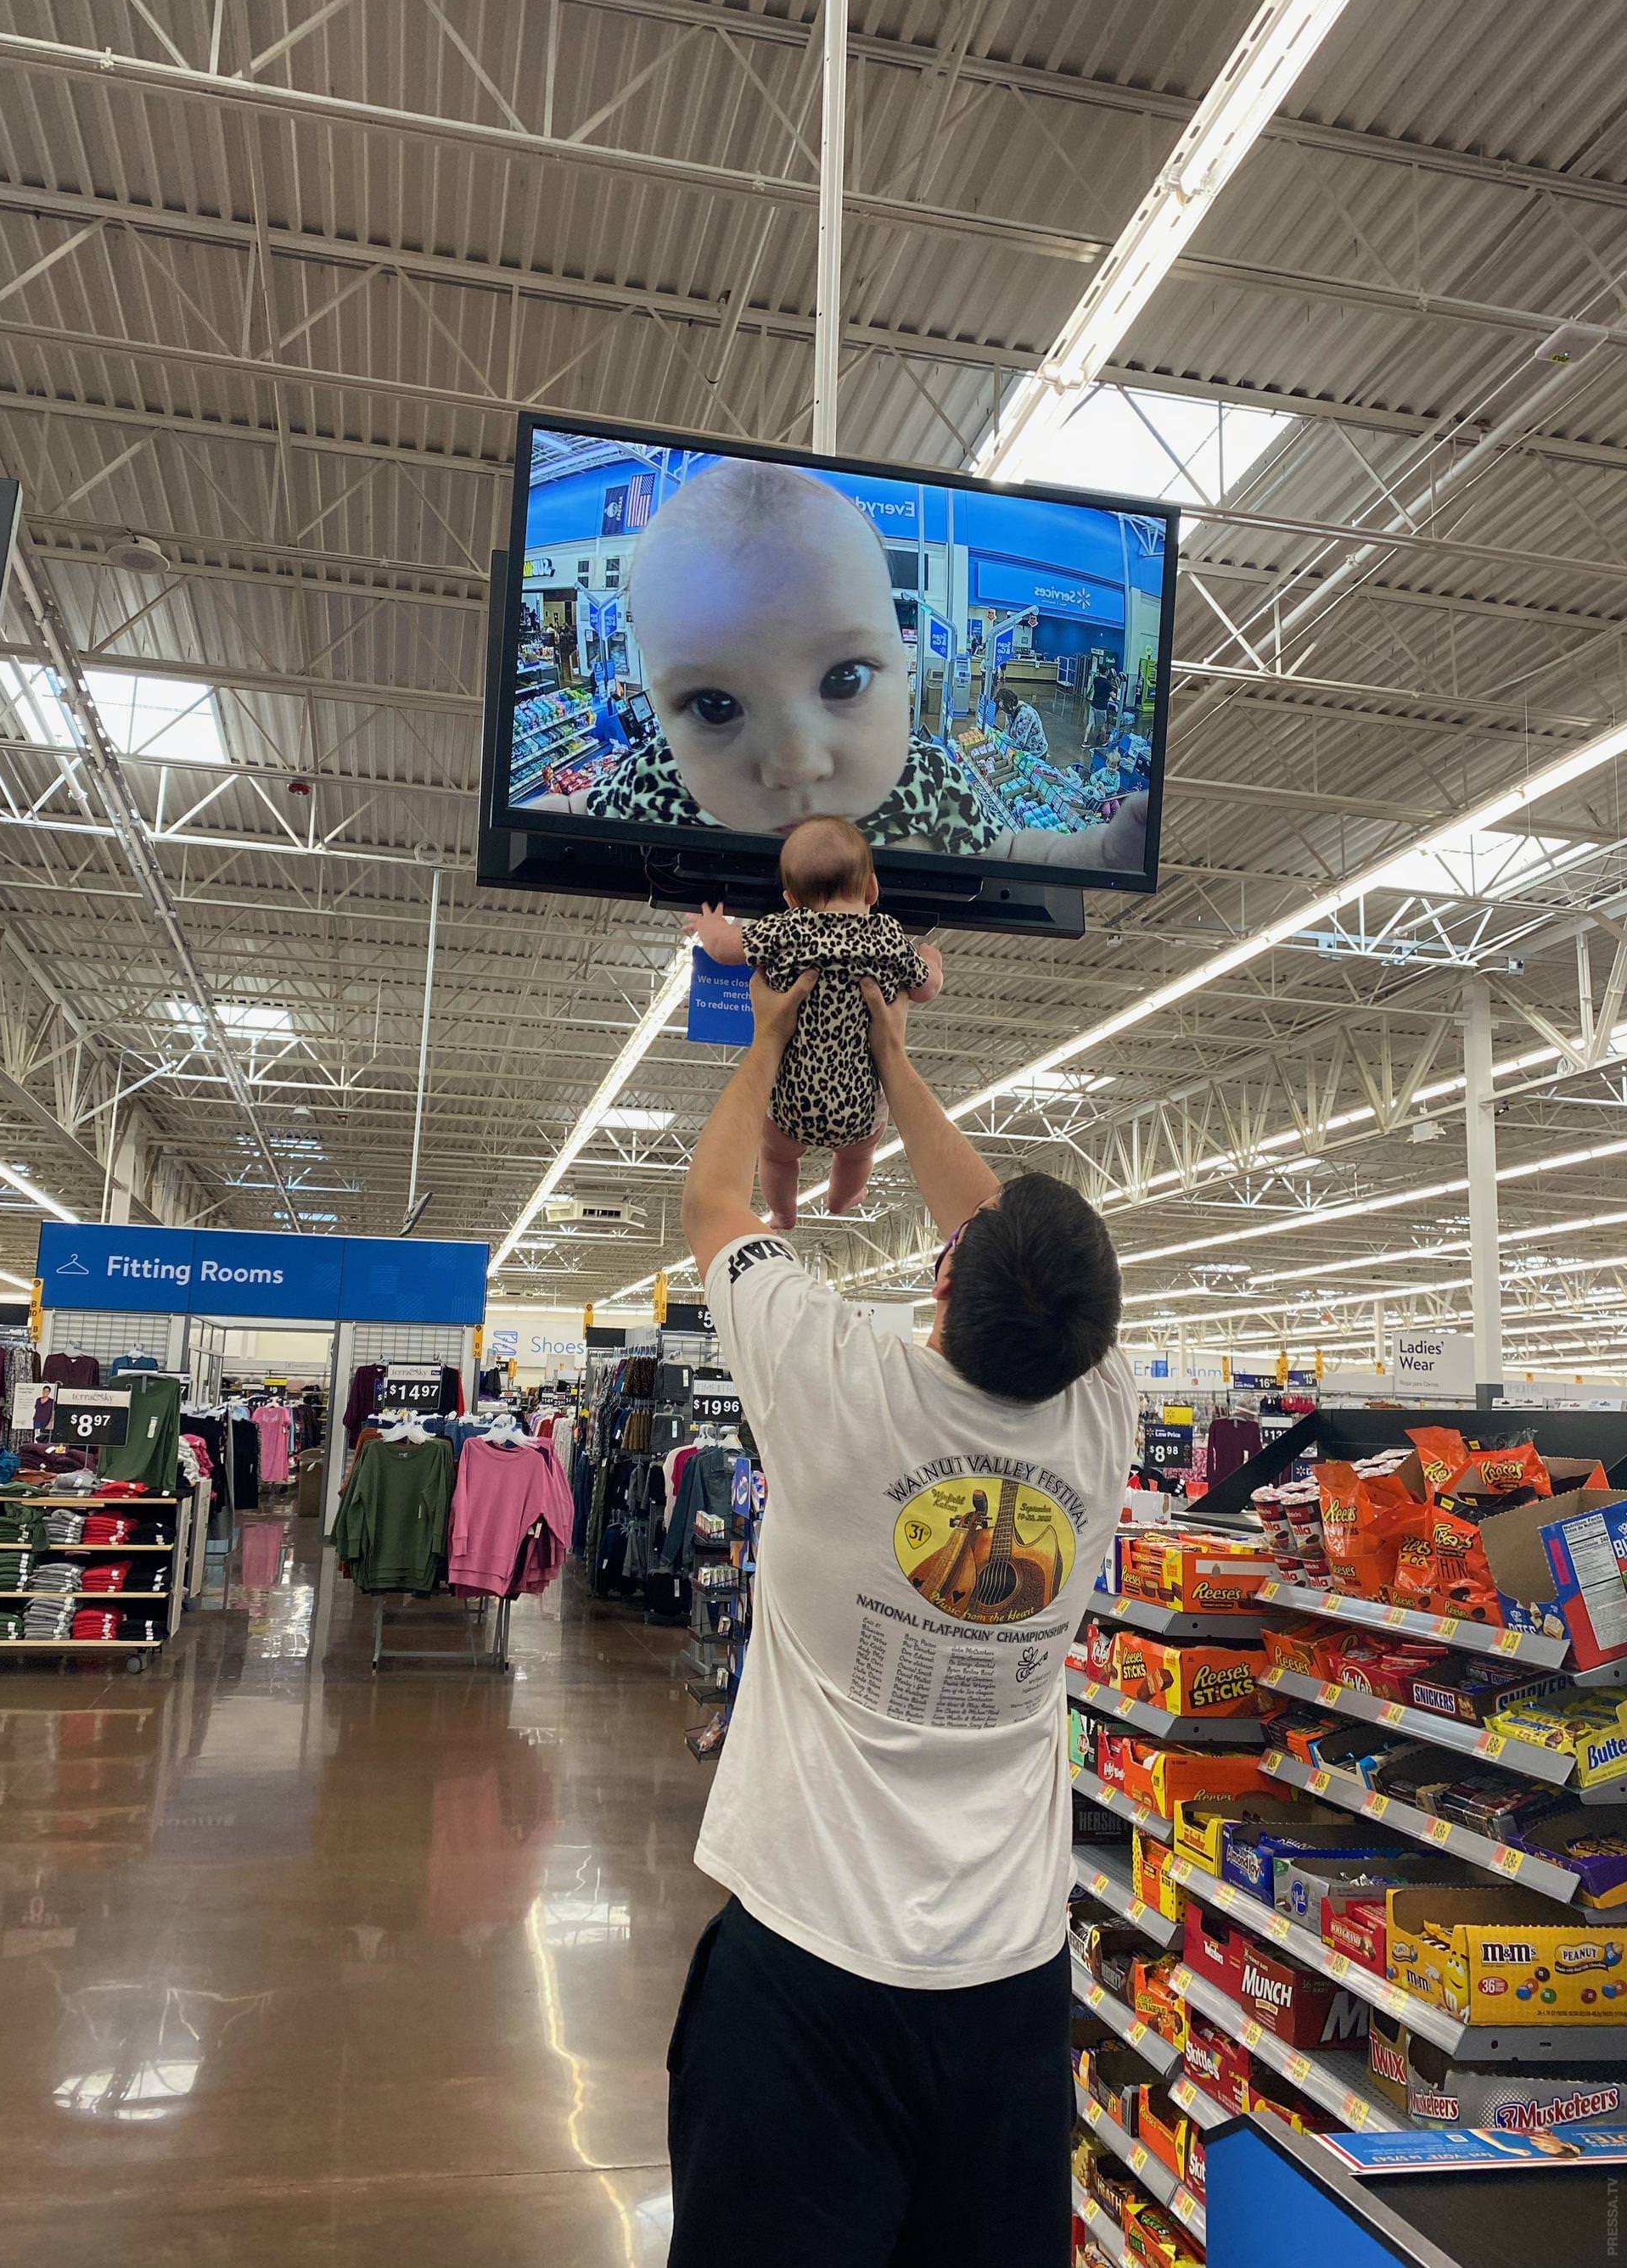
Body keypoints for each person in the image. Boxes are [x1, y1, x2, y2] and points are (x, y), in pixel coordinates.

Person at [667, 965, 1136, 2268]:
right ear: (1093, 1337)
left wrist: (778, 1039)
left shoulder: (831, 1383)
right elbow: (1002, 1242)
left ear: (943, 1281)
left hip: (806, 1973)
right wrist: (900, 1063)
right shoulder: (1106, 1423)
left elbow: (712, 1201)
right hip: (1009, 1984)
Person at [520, 457, 1147, 873]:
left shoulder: (925, 780)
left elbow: (1011, 846)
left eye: (843, 679)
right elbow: (580, 811)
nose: (795, 762)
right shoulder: (663, 781)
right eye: (715, 705)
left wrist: (1098, 850)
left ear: (905, 669)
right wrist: (516, 824)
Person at [687, 815, 945, 1228]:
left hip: (791, 1101)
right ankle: (843, 1199)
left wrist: (708, 924)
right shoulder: (888, 938)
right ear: (872, 888)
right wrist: (931, 958)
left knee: (775, 1156)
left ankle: (783, 1212)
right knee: (857, 1155)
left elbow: (722, 948)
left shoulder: (785, 930)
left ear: (790, 899)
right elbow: (925, 988)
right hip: (857, 1108)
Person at [995, 682, 1048, 756]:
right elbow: (1007, 731)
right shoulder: (1011, 712)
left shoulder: (1025, 715)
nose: (1004, 711)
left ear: (1009, 705)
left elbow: (1019, 743)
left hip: (1035, 752)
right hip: (1024, 750)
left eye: (1004, 708)